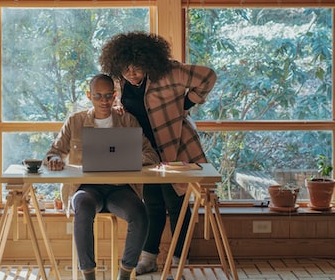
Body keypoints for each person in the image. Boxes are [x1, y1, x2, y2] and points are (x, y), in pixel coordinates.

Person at [99, 31, 217, 275]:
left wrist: (187, 103)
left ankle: (179, 259)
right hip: (145, 152)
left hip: (175, 145)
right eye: (125, 68)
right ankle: (149, 258)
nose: (131, 73)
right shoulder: (122, 83)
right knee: (150, 203)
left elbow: (208, 76)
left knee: (177, 203)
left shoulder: (169, 71)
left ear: (148, 61)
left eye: (137, 67)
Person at [43, 74, 160, 280]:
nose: (104, 101)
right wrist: (54, 159)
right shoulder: (75, 121)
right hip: (86, 187)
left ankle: (125, 273)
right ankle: (89, 275)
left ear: (115, 96)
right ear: (89, 95)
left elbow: (151, 155)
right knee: (82, 207)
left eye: (108, 96)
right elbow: (53, 152)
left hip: (121, 189)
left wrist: (128, 157)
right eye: (98, 96)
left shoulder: (127, 120)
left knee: (140, 213)